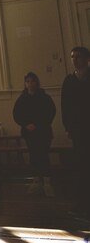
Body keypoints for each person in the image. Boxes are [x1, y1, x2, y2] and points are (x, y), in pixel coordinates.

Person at [13, 72, 56, 197]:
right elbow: (17, 114)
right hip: (29, 133)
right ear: (25, 84)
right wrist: (26, 124)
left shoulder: (44, 97)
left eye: (32, 81)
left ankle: (47, 182)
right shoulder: (22, 99)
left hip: (43, 132)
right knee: (33, 156)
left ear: (37, 82)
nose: (30, 84)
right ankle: (36, 181)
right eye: (28, 81)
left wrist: (37, 124)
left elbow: (50, 113)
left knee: (43, 155)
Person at [61, 46, 90, 218]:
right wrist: (68, 127)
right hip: (78, 130)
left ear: (86, 58)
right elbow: (65, 106)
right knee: (81, 166)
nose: (74, 59)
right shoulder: (69, 81)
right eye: (72, 56)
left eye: (78, 56)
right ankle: (83, 202)